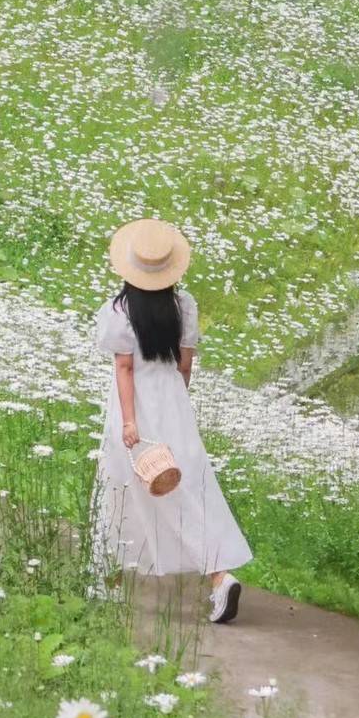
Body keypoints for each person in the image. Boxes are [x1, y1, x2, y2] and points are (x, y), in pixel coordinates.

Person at [90, 217, 252, 623]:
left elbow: (124, 369)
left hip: (136, 404)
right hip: (173, 402)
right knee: (187, 488)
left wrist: (130, 422)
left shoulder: (120, 311)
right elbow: (184, 365)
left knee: (122, 484)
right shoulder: (183, 307)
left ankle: (105, 577)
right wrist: (177, 401)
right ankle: (219, 576)